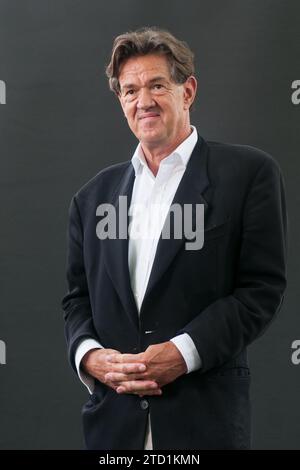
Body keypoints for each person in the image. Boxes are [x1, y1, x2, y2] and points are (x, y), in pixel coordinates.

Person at [62, 27, 287, 450]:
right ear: (121, 102)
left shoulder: (248, 175)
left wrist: (183, 354)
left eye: (157, 85)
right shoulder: (91, 198)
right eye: (129, 91)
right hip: (113, 427)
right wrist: (90, 356)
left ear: (188, 91)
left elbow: (261, 290)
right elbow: (77, 300)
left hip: (204, 423)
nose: (142, 101)